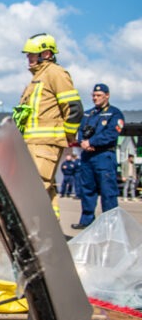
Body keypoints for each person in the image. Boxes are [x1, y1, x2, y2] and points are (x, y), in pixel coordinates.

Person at [15, 33, 83, 220]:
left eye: (32, 54)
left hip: (46, 143)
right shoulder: (37, 78)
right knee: (45, 187)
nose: (28, 58)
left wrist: (68, 135)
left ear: (46, 54)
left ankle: (34, 230)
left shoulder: (55, 73)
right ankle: (50, 229)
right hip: (33, 143)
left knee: (35, 188)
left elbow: (74, 108)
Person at [72, 84, 125, 229]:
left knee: (108, 191)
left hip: (104, 156)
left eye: (99, 95)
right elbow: (80, 131)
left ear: (107, 95)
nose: (95, 98)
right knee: (87, 189)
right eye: (94, 95)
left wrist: (92, 142)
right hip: (87, 156)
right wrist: (83, 143)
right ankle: (86, 220)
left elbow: (111, 133)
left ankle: (110, 224)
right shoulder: (87, 114)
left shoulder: (114, 114)